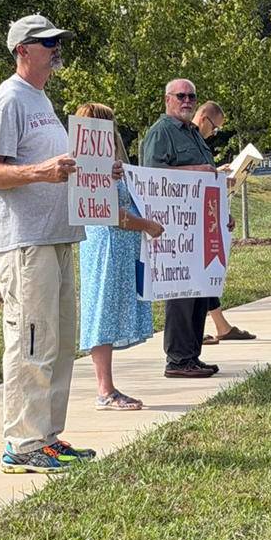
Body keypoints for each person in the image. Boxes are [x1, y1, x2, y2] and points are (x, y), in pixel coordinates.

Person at [0, 14, 114, 474]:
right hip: (26, 242)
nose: (56, 50)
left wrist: (99, 172)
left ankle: (48, 438)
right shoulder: (7, 100)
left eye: (57, 41)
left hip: (59, 236)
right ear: (22, 50)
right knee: (31, 340)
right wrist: (40, 172)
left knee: (57, 341)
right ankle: (23, 442)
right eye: (47, 43)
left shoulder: (41, 101)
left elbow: (64, 167)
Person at [76, 103, 164, 410]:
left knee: (111, 309)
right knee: (102, 309)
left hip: (120, 246)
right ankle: (105, 390)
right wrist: (146, 226)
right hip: (107, 246)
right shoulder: (88, 167)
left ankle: (108, 387)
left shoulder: (109, 164)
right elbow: (110, 213)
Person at [140, 78, 221, 379]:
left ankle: (191, 355)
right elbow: (152, 174)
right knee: (181, 293)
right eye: (181, 96)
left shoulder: (193, 133)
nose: (187, 101)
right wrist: (195, 170)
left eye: (192, 97)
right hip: (174, 227)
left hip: (200, 223)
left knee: (200, 290)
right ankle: (176, 359)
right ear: (167, 100)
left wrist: (220, 213)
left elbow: (206, 177)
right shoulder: (161, 133)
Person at [190, 101, 255, 345]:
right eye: (215, 128)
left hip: (207, 216)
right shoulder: (188, 139)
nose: (214, 133)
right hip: (192, 219)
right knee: (198, 277)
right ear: (204, 118)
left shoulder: (200, 143)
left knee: (208, 274)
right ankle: (202, 329)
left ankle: (220, 324)